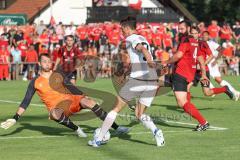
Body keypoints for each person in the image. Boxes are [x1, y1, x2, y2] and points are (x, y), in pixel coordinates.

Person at [0, 54, 129, 136]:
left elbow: (70, 86)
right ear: (39, 64)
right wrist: (15, 118)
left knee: (90, 103)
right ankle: (77, 129)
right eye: (44, 61)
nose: (47, 63)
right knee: (54, 114)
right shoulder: (35, 82)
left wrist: (83, 96)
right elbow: (26, 101)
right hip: (59, 108)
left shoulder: (58, 74)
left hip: (72, 100)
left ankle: (117, 127)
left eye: (49, 61)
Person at [88, 16, 165, 147]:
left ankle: (98, 139)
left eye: (122, 29)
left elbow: (143, 50)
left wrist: (150, 61)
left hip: (139, 80)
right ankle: (157, 132)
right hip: (152, 80)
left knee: (115, 109)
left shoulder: (131, 39)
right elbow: (141, 55)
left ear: (127, 28)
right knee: (139, 114)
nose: (121, 32)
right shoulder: (143, 38)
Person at [163, 21, 210, 131]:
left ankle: (204, 122)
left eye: (182, 28)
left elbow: (179, 55)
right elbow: (201, 59)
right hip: (187, 74)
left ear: (188, 29)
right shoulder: (194, 41)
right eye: (179, 28)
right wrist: (203, 74)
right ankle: (140, 105)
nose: (180, 30)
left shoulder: (185, 39)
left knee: (182, 103)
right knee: (157, 82)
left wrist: (167, 62)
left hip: (180, 74)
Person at [188, 27, 234, 99]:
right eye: (192, 33)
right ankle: (185, 104)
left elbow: (211, 55)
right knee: (186, 87)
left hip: (204, 71)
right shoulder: (188, 43)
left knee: (207, 92)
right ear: (189, 34)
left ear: (198, 34)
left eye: (195, 33)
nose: (194, 35)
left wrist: (203, 65)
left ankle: (225, 89)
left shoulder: (202, 43)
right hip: (194, 70)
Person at [202, 31, 240, 101]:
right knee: (208, 78)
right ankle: (235, 92)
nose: (204, 36)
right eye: (203, 35)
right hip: (206, 63)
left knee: (216, 79)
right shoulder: (201, 43)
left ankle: (234, 92)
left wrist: (216, 60)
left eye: (206, 35)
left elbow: (222, 50)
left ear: (208, 36)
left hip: (211, 64)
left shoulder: (211, 43)